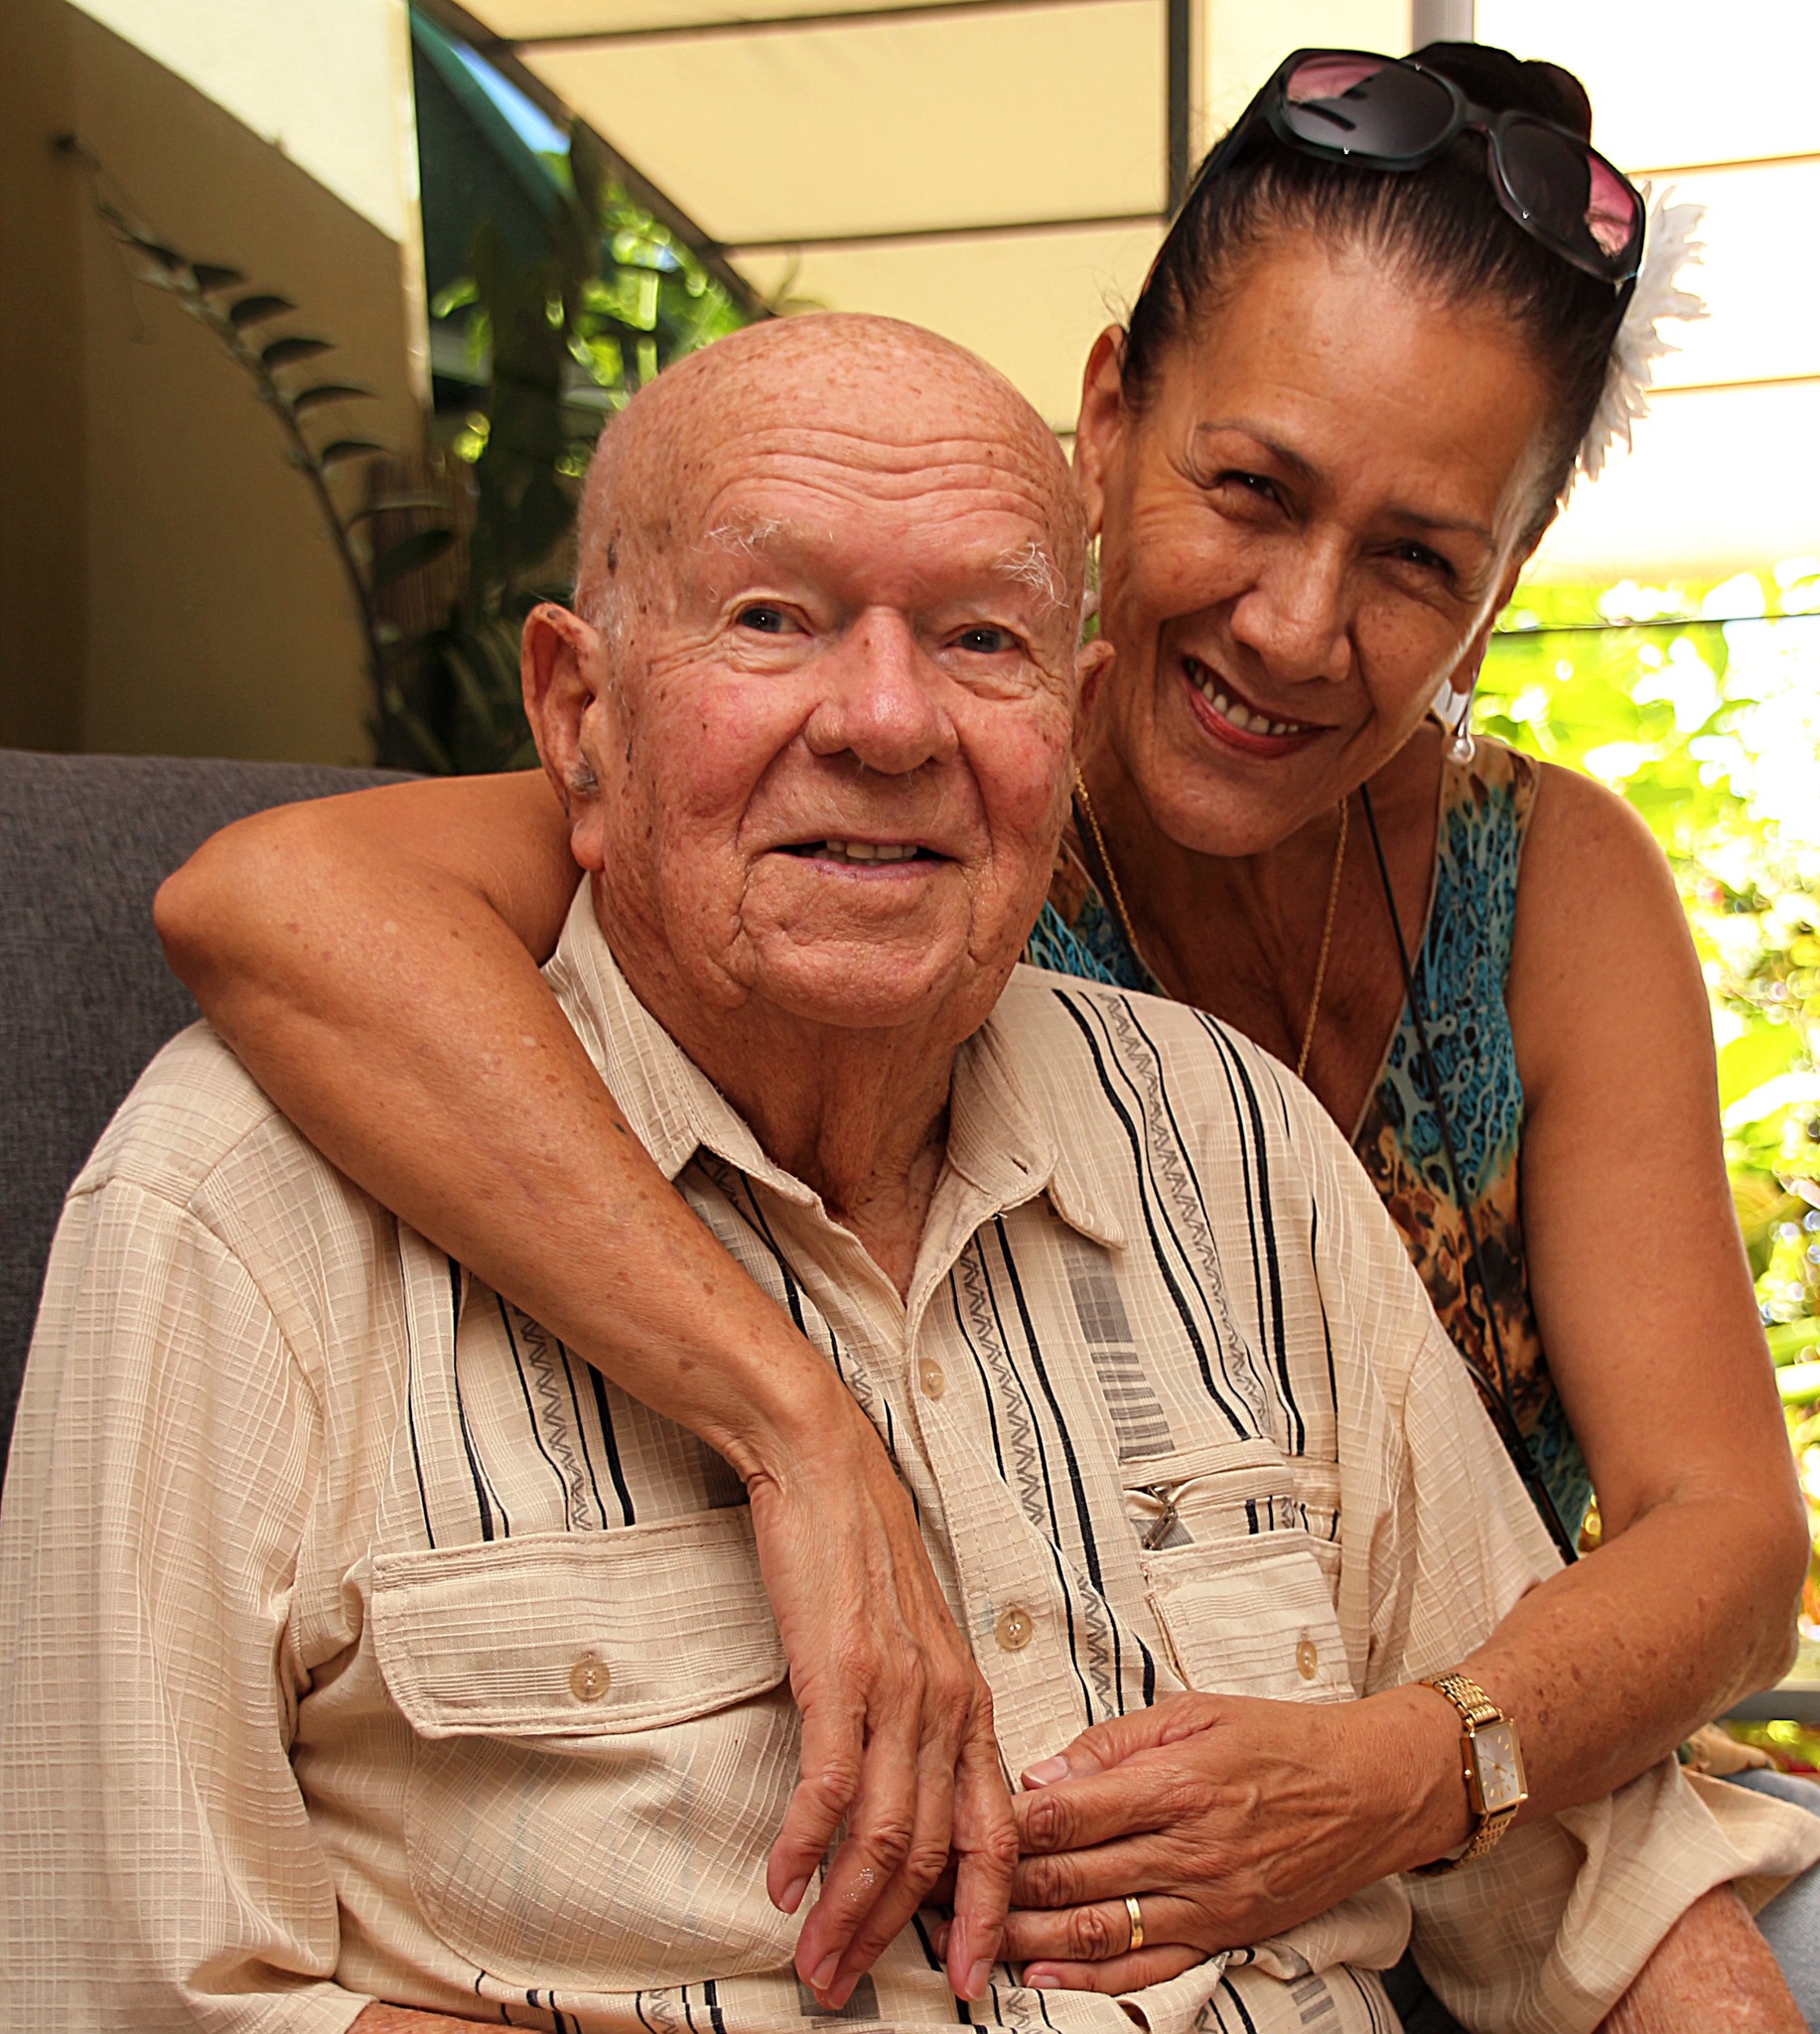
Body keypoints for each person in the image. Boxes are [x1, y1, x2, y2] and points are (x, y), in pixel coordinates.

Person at [154, 40, 1814, 2014]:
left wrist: (1406, 1773)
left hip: (1477, 1800)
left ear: (1500, 583)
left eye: (1413, 558)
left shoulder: (1507, 906)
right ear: (1107, 422)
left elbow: (1724, 1543)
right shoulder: (839, 815)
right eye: (1250, 490)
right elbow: (273, 906)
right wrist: (799, 1421)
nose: (1295, 625)